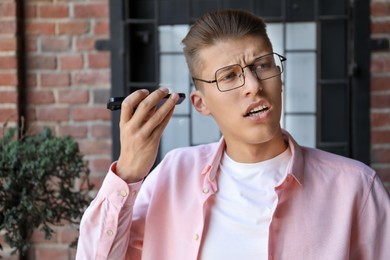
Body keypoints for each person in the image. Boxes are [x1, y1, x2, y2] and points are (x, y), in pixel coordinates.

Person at [76, 9, 390, 260]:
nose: (253, 85)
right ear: (200, 103)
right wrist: (129, 171)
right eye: (229, 76)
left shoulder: (355, 188)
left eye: (263, 65)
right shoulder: (173, 175)